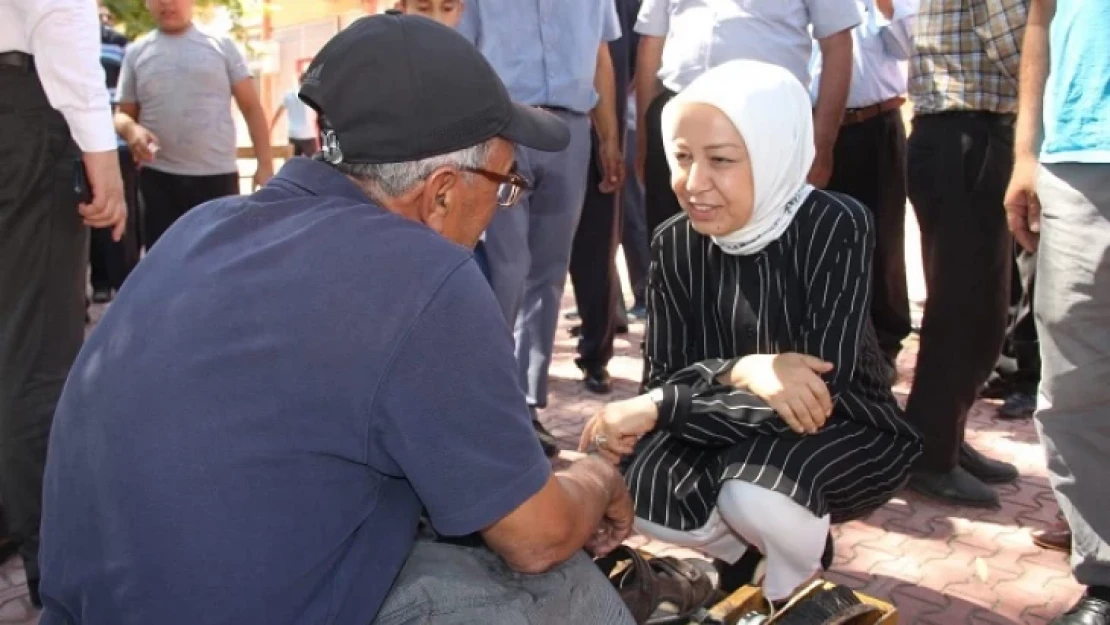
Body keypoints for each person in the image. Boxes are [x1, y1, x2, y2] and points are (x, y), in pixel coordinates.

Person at [39, 13, 635, 625]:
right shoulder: (424, 275)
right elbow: (536, 537)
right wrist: (596, 479)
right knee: (569, 594)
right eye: (505, 184)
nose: (500, 207)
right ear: (443, 192)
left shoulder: (202, 226)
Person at [580, 60, 922, 606]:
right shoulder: (675, 243)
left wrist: (665, 406)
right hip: (725, 418)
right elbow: (664, 379)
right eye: (683, 158)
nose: (694, 184)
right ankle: (746, 558)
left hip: (842, 423)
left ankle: (794, 589)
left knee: (755, 493)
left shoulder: (836, 223)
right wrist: (741, 370)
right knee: (632, 484)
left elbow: (815, 393)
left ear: (773, 151)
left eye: (721, 161)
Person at [0, 0, 127, 609]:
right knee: (36, 362)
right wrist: (100, 150)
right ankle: (63, 585)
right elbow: (59, 14)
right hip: (22, 109)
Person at [457, 0, 625, 457]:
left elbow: (600, 59)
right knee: (506, 269)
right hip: (503, 135)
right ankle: (486, 404)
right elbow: (463, 53)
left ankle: (527, 407)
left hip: (570, 136)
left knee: (549, 276)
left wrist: (609, 138)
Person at [1005, 0, 1110, 622]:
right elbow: (1041, 19)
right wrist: (1026, 153)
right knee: (1075, 386)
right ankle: (1104, 578)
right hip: (1072, 163)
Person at [902, 0, 1027, 508]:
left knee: (979, 309)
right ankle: (931, 457)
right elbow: (1018, 44)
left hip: (970, 133)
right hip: (961, 137)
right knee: (963, 310)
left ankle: (945, 437)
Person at [633, 0, 861, 237]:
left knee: (767, 242)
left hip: (767, 118)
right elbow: (651, 39)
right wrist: (644, 137)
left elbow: (837, 42)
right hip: (679, 116)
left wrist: (822, 144)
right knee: (673, 241)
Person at [114, 0, 273, 249]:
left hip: (216, 177)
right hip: (159, 179)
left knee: (220, 258)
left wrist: (265, 164)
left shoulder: (222, 46)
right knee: (165, 263)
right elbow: (122, 115)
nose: (167, 3)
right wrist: (131, 130)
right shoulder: (137, 52)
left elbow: (251, 107)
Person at [812, 0, 915, 373]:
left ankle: (882, 350)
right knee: (814, 246)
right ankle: (824, 349)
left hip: (872, 124)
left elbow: (911, 48)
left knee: (880, 242)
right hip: (803, 125)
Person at [567, 0, 640, 396]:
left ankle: (596, 355)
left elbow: (623, 58)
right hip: (527, 126)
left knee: (597, 246)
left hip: (600, 124)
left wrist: (609, 135)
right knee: (523, 264)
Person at [89, 5, 142, 304]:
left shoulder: (121, 44)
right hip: (77, 144)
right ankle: (98, 283)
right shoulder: (67, 37)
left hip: (118, 143)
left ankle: (126, 284)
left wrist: (135, 136)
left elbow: (132, 97)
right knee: (89, 217)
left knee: (124, 217)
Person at [269, 74, 318, 157]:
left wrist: (270, 130)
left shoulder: (288, 95)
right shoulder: (312, 95)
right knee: (313, 164)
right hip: (308, 134)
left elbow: (278, 113)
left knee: (294, 163)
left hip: (293, 135)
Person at [393, 0, 463, 25]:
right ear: (402, 9)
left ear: (459, 10)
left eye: (447, 8)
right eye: (423, 8)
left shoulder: (468, 56)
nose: (437, 20)